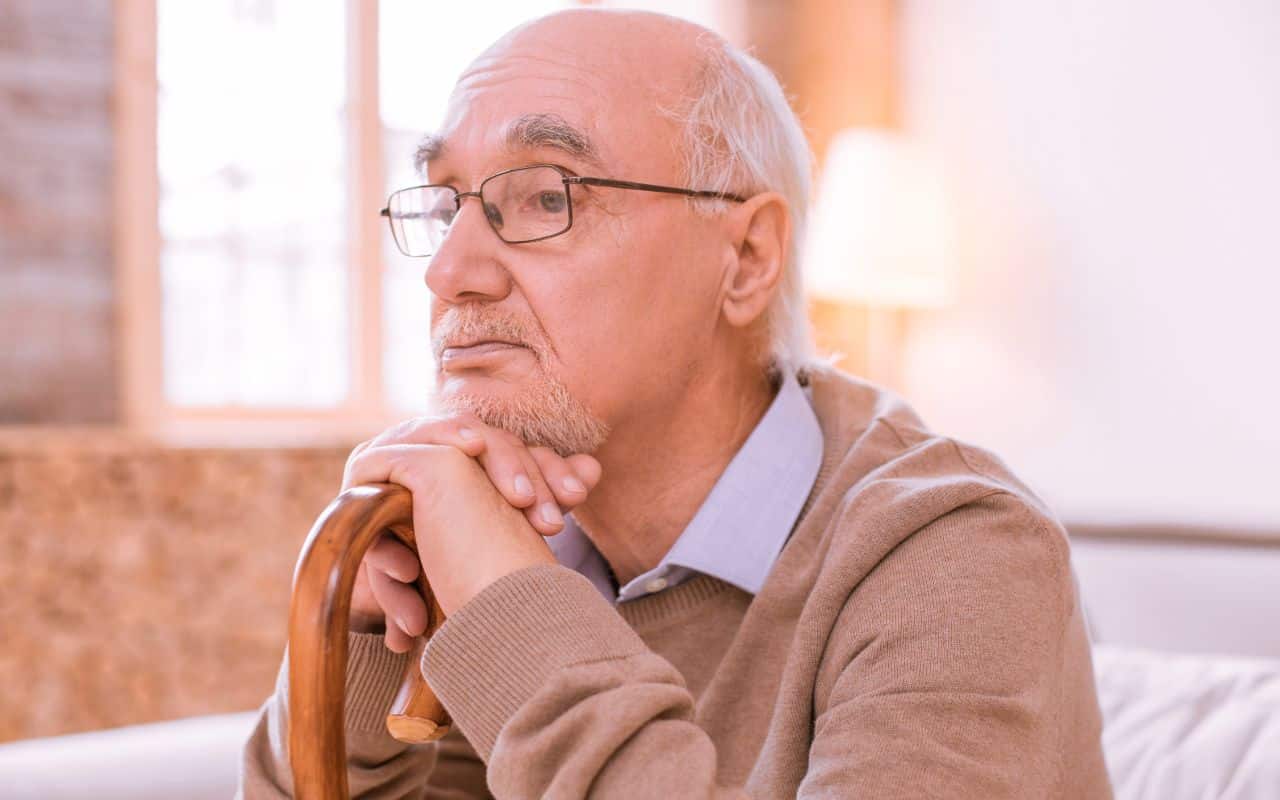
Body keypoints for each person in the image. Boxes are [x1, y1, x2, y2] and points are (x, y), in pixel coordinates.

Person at [238, 8, 1113, 798]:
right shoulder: (517, 525)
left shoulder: (963, 554)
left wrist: (508, 602)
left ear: (746, 258)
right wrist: (356, 653)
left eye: (547, 196)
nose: (448, 273)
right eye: (447, 205)